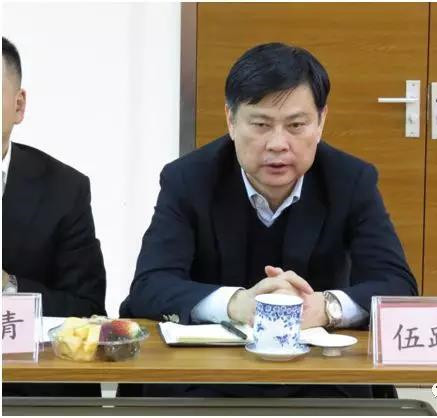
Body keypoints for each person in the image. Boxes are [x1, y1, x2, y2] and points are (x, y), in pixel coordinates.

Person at [119, 42, 418, 398]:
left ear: (321, 122)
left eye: (296, 125)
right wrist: (238, 304)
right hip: (207, 375)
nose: (278, 144)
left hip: (319, 375)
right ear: (231, 121)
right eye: (261, 124)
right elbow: (151, 286)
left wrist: (325, 307)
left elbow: (397, 287)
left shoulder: (350, 181)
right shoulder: (188, 179)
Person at [2, 37, 107, 397]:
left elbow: (87, 310)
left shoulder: (63, 189)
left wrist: (9, 287)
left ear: (18, 106)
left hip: (25, 386)